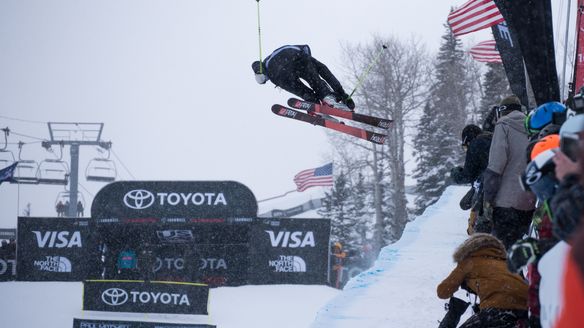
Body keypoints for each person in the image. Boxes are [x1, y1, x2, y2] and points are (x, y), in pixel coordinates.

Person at [437, 233, 528, 328]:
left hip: (497, 310)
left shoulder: (469, 261)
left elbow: (442, 292)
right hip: (526, 313)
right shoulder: (506, 264)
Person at [483, 95, 536, 250]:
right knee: (522, 252)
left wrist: (487, 199)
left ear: (502, 111)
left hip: (505, 204)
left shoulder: (503, 126)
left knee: (502, 252)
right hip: (529, 201)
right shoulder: (533, 127)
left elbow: (495, 166)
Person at [252, 44, 354, 111]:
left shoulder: (267, 63)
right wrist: (342, 94)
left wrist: (258, 69)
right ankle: (326, 97)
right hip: (295, 57)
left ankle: (312, 102)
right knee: (316, 82)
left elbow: (258, 66)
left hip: (276, 75)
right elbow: (325, 72)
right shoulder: (304, 54)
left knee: (302, 91)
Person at [450, 124, 493, 234]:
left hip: (487, 186)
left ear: (468, 140)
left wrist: (456, 174)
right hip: (498, 182)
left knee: (471, 205)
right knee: (465, 203)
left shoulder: (475, 144)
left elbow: (467, 175)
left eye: (465, 147)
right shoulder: (493, 138)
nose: (466, 149)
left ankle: (477, 226)